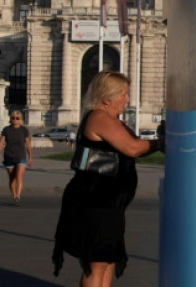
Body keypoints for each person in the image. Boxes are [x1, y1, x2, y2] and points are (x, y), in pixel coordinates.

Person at [53, 71, 164, 286]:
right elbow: (133, 148)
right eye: (123, 94)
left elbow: (135, 145)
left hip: (108, 203)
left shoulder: (111, 120)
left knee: (107, 260)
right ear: (107, 97)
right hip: (95, 201)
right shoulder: (99, 118)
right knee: (96, 264)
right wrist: (160, 143)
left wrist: (158, 142)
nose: (127, 99)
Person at [0, 111, 32, 206]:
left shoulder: (24, 130)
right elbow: (1, 142)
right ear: (10, 119)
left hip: (21, 156)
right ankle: (14, 195)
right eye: (13, 118)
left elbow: (28, 144)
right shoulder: (6, 129)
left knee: (19, 177)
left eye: (17, 118)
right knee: (12, 178)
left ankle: (17, 197)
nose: (15, 120)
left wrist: (30, 157)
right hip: (9, 156)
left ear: (20, 119)